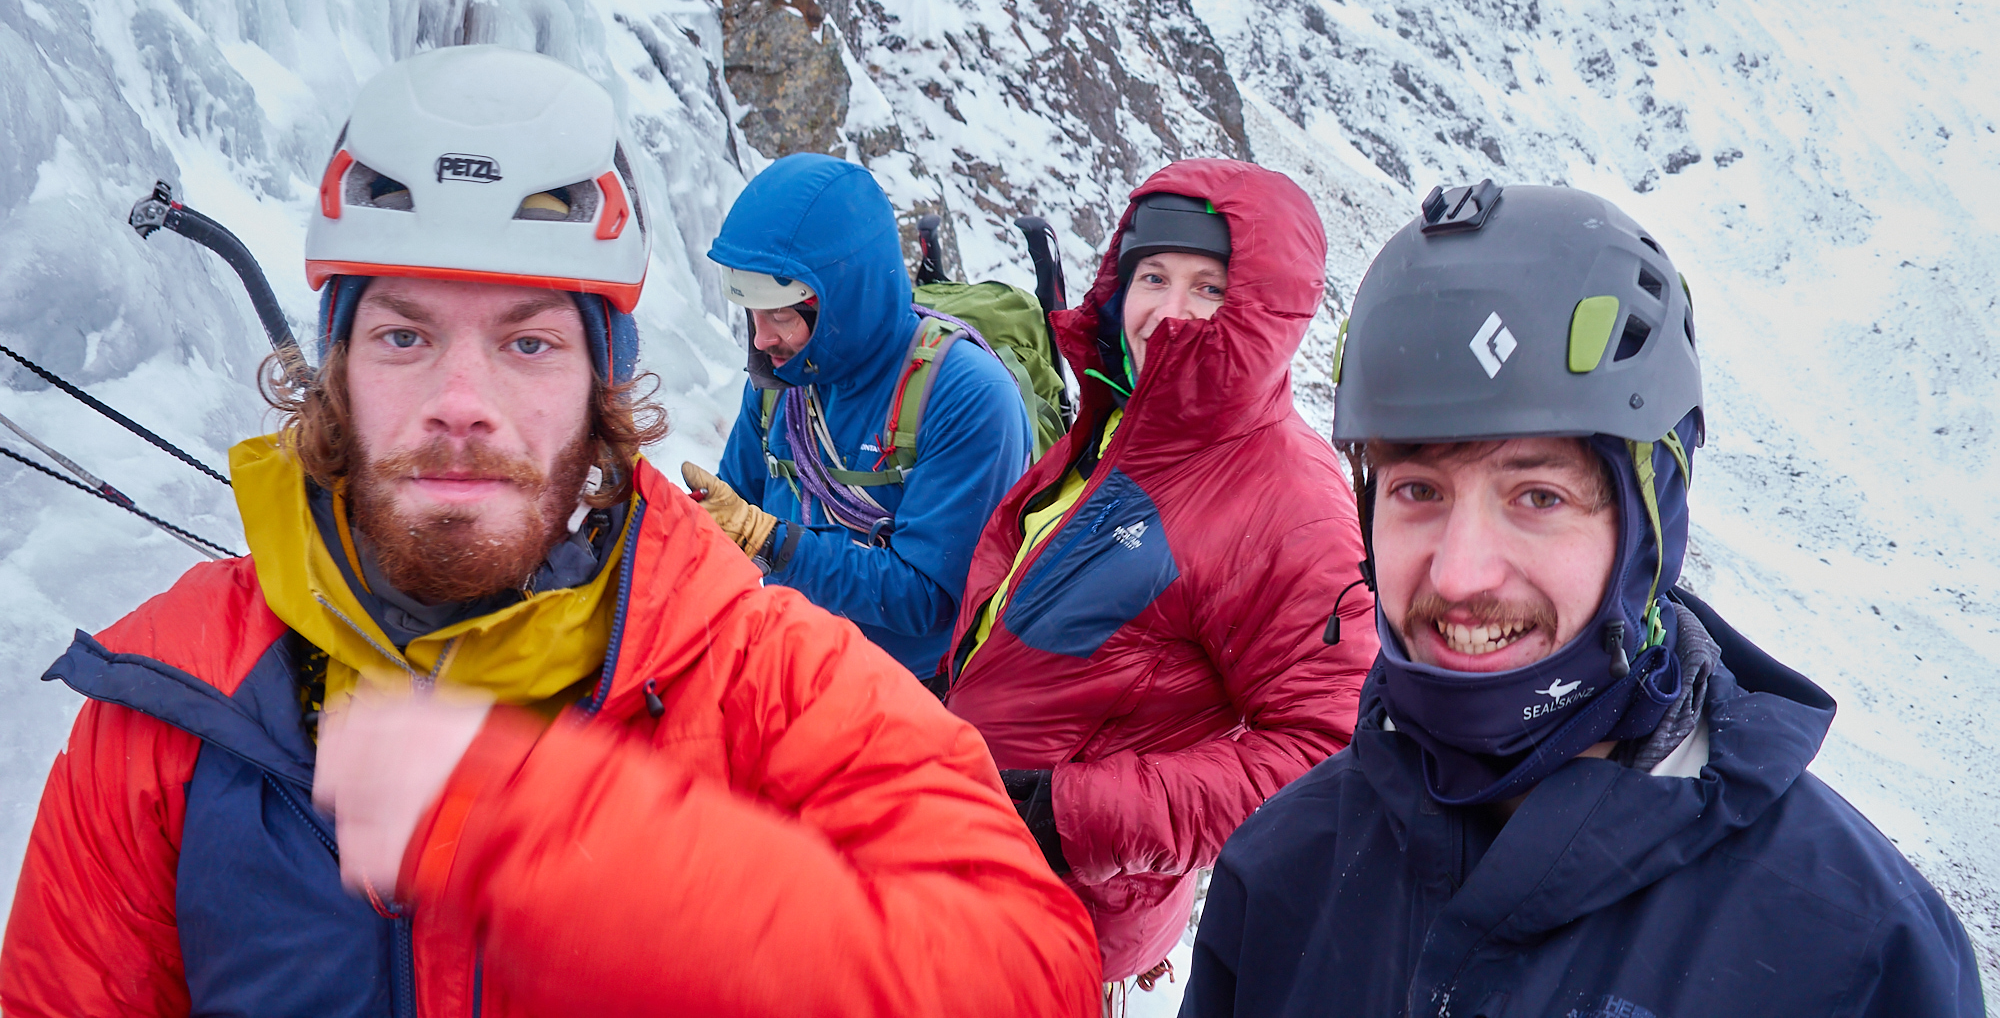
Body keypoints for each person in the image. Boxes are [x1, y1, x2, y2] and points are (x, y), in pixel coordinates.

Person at [0, 47, 1099, 1017]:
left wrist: (549, 832)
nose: (461, 400)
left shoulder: (765, 679)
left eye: (528, 345)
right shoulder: (171, 707)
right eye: (401, 336)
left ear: (601, 393)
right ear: (334, 371)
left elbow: (1030, 973)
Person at [1184, 182, 1984, 1018]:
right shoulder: (1282, 875)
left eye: (1538, 497)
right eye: (1418, 489)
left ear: (1649, 529)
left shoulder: (1858, 955)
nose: (1459, 575)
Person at [940, 161, 1381, 1004]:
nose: (1166, 313)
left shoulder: (1287, 502)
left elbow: (1327, 755)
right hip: (973, 856)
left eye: (1208, 287)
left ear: (1264, 306)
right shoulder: (1123, 423)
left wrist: (1069, 814)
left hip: (1059, 906)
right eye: (1152, 276)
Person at [685, 152, 1033, 682]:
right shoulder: (783, 380)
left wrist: (772, 543)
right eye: (752, 313)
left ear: (843, 296)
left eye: (779, 314)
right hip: (783, 671)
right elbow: (733, 510)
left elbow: (928, 597)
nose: (759, 338)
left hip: (909, 700)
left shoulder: (968, 398)